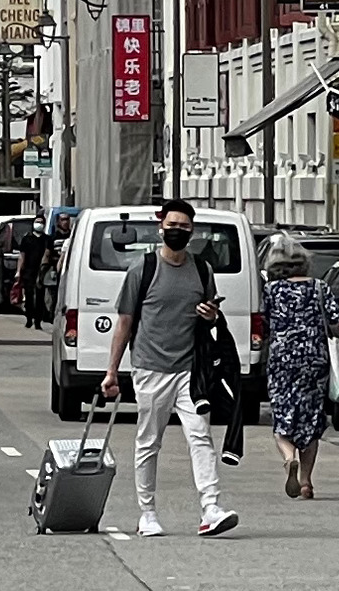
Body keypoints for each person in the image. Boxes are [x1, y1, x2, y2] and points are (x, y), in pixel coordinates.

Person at [94, 203, 239, 539]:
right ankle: (147, 513)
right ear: (161, 228)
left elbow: (212, 316)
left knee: (200, 435)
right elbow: (125, 323)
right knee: (149, 442)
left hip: (191, 370)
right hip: (150, 368)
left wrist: (210, 315)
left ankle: (211, 507)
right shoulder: (142, 270)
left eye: (185, 226)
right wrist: (111, 372)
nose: (178, 230)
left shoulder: (202, 270)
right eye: (172, 224)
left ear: (193, 231)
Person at [260, 250, 337, 498]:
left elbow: (264, 323)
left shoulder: (271, 290)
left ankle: (288, 456)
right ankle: (306, 481)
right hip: (315, 358)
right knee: (311, 418)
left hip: (282, 359)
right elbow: (337, 321)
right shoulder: (319, 287)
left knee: (282, 415)